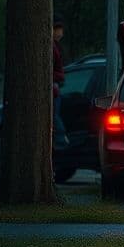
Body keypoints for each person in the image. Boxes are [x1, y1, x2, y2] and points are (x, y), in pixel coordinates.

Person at [52, 15, 69, 150]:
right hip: (53, 89)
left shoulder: (55, 47)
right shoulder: (52, 47)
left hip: (55, 90)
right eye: (57, 30)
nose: (60, 33)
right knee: (53, 116)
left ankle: (60, 142)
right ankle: (60, 141)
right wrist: (60, 76)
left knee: (54, 116)